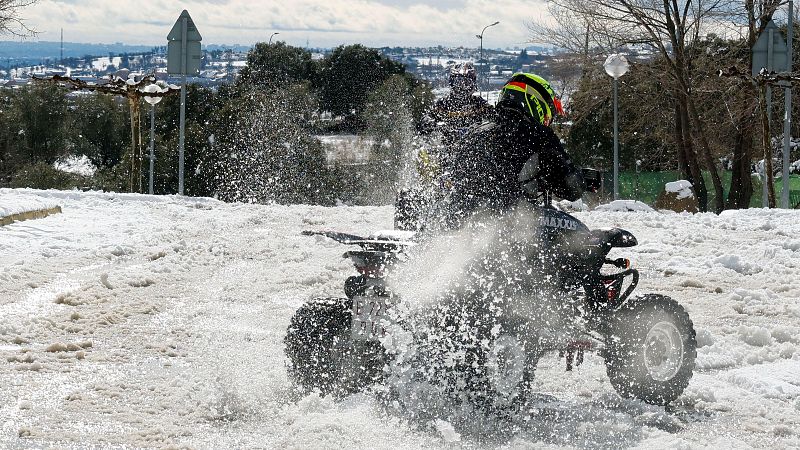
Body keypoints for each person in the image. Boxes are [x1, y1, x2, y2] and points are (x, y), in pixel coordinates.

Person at [442, 72, 585, 227]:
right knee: (578, 232)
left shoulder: (474, 132)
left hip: (458, 222)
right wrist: (579, 179)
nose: (547, 120)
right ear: (536, 102)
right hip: (509, 224)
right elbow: (570, 189)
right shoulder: (538, 133)